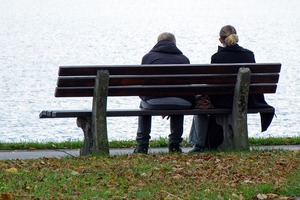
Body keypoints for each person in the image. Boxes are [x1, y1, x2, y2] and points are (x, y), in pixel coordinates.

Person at [189, 25, 275, 153]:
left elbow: (213, 85)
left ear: (220, 40)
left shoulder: (217, 57)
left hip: (222, 102)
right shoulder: (249, 55)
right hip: (246, 101)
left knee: (201, 103)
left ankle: (198, 144)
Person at [134, 32, 194, 154]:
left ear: (157, 43)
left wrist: (155, 97)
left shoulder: (148, 58)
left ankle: (142, 144)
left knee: (143, 105)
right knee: (178, 103)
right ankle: (174, 144)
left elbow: (142, 85)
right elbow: (187, 85)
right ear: (174, 44)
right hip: (181, 102)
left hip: (154, 101)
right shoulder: (184, 59)